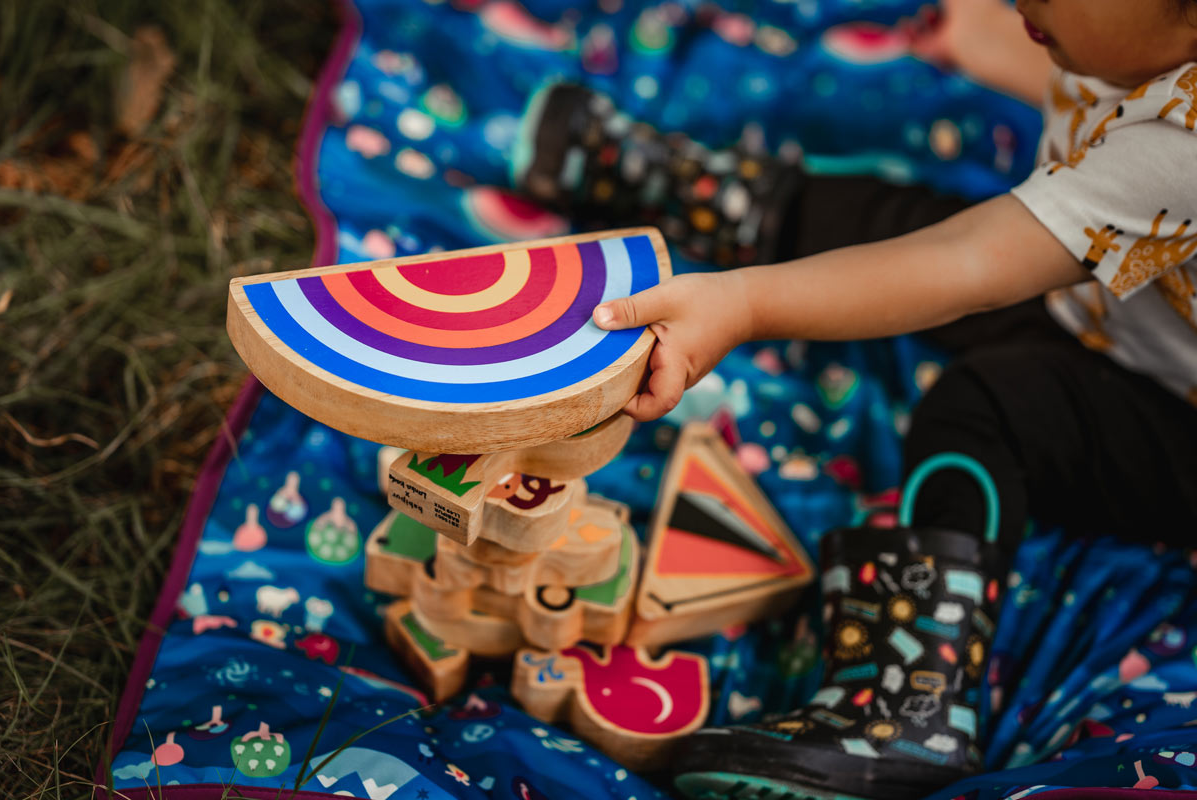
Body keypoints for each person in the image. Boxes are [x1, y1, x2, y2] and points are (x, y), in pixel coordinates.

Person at [513, 1, 1197, 797]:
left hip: (1175, 415)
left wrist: (747, 306)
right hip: (1112, 311)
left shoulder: (1183, 144)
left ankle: (914, 708)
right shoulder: (1134, 38)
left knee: (984, 406)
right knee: (885, 223)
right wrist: (1004, 48)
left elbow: (970, 263)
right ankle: (691, 188)